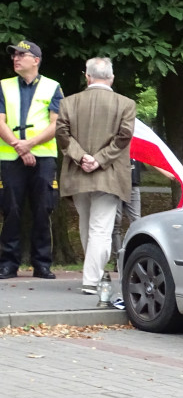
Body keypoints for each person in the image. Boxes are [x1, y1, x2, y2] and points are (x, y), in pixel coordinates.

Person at [55, 56, 135, 295]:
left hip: (78, 174)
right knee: (100, 228)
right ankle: (92, 279)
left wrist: (82, 158)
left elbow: (62, 135)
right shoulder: (126, 104)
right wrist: (98, 159)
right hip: (109, 174)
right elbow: (124, 137)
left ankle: (94, 274)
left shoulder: (68, 102)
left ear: (87, 76)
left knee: (86, 224)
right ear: (111, 77)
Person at [0, 40, 63, 280]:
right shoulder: (3, 86)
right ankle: (8, 263)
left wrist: (30, 144)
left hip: (44, 157)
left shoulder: (53, 87)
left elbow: (56, 124)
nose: (15, 58)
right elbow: (0, 121)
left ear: (35, 60)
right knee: (10, 209)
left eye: (21, 55)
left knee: (42, 209)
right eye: (13, 55)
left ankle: (42, 263)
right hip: (10, 157)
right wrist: (20, 146)